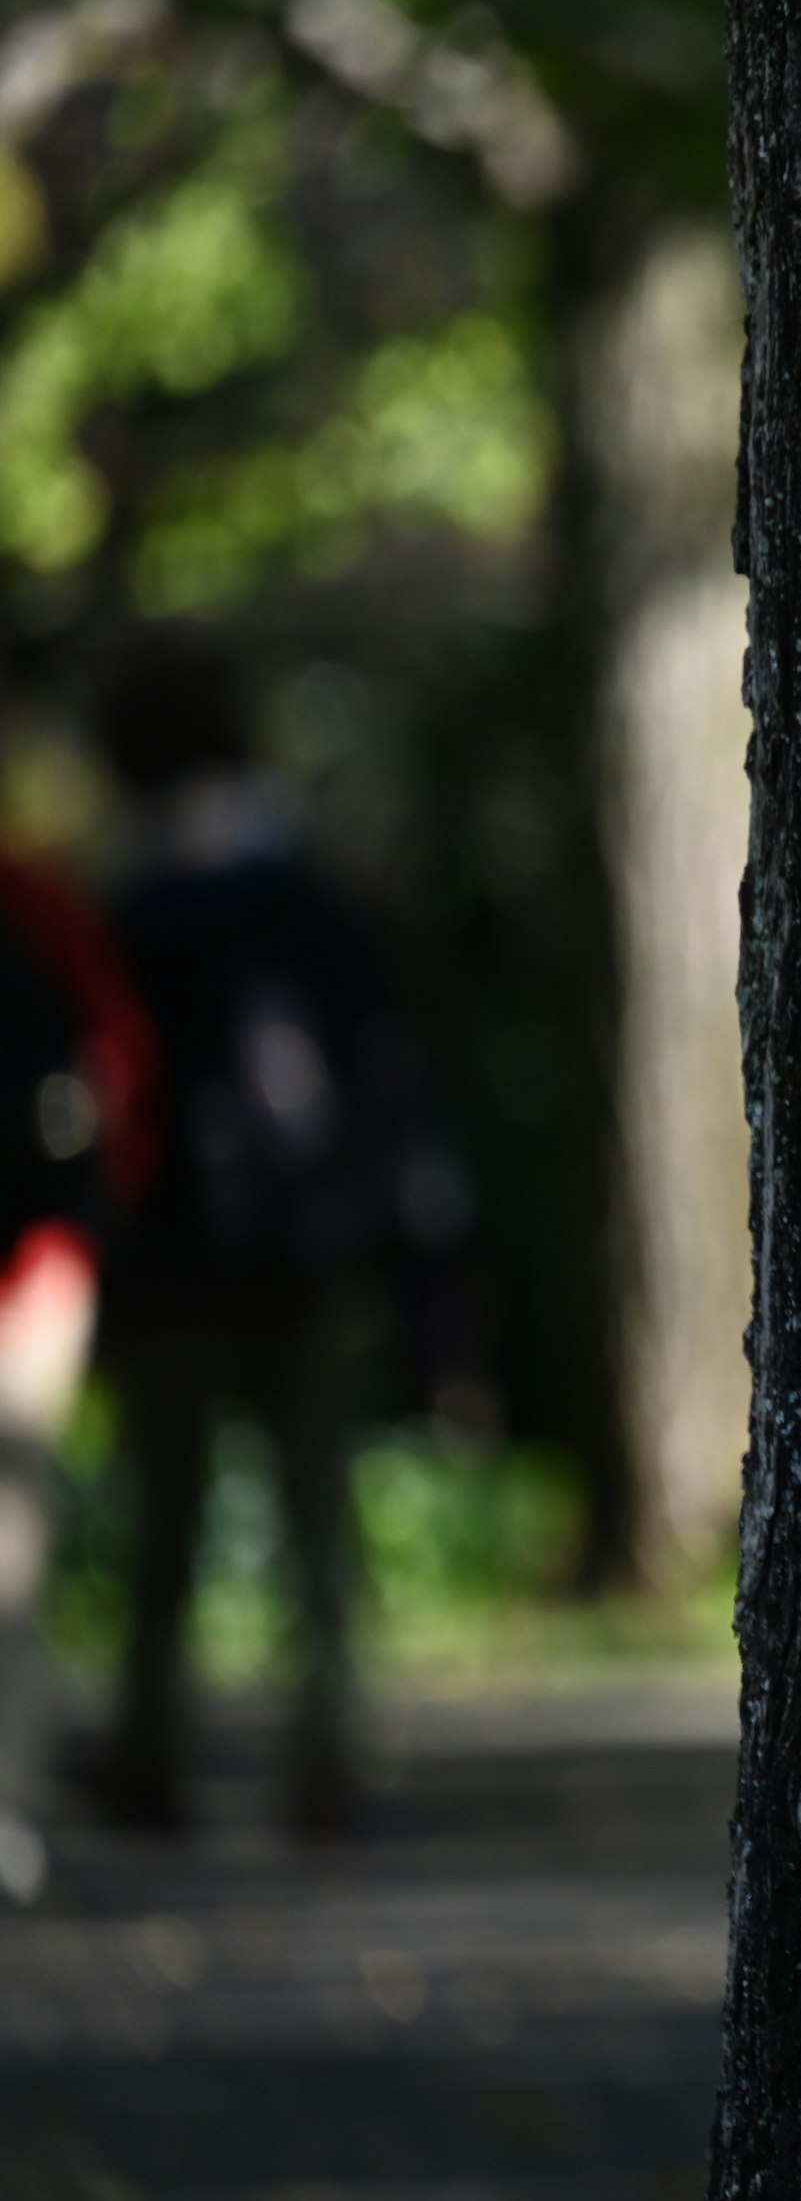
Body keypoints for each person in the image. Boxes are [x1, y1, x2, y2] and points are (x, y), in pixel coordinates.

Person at [82, 634, 419, 1838]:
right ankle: (329, 1753)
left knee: (161, 1531)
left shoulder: (124, 905)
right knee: (316, 1529)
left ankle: (147, 1750)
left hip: (171, 1255)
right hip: (306, 1242)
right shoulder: (303, 886)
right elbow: (381, 1058)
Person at [0, 821, 155, 1901]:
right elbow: (120, 1070)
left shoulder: (32, 895)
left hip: (37, 1261)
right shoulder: (35, 892)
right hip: (45, 1263)